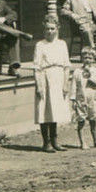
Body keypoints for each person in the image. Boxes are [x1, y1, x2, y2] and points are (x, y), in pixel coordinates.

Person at [33, 14, 71, 152]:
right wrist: (39, 85)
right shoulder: (40, 45)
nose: (50, 31)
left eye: (52, 28)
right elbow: (36, 67)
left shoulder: (62, 44)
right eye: (47, 29)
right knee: (45, 110)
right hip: (45, 76)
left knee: (55, 110)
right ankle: (46, 142)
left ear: (57, 28)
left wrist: (65, 84)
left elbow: (67, 66)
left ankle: (55, 140)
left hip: (58, 76)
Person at [71, 47, 96, 149]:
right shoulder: (77, 71)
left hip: (92, 98)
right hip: (81, 98)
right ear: (81, 58)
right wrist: (73, 99)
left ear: (93, 59)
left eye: (90, 58)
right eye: (85, 57)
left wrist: (89, 74)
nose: (87, 60)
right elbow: (74, 86)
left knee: (93, 119)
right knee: (81, 120)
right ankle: (83, 142)